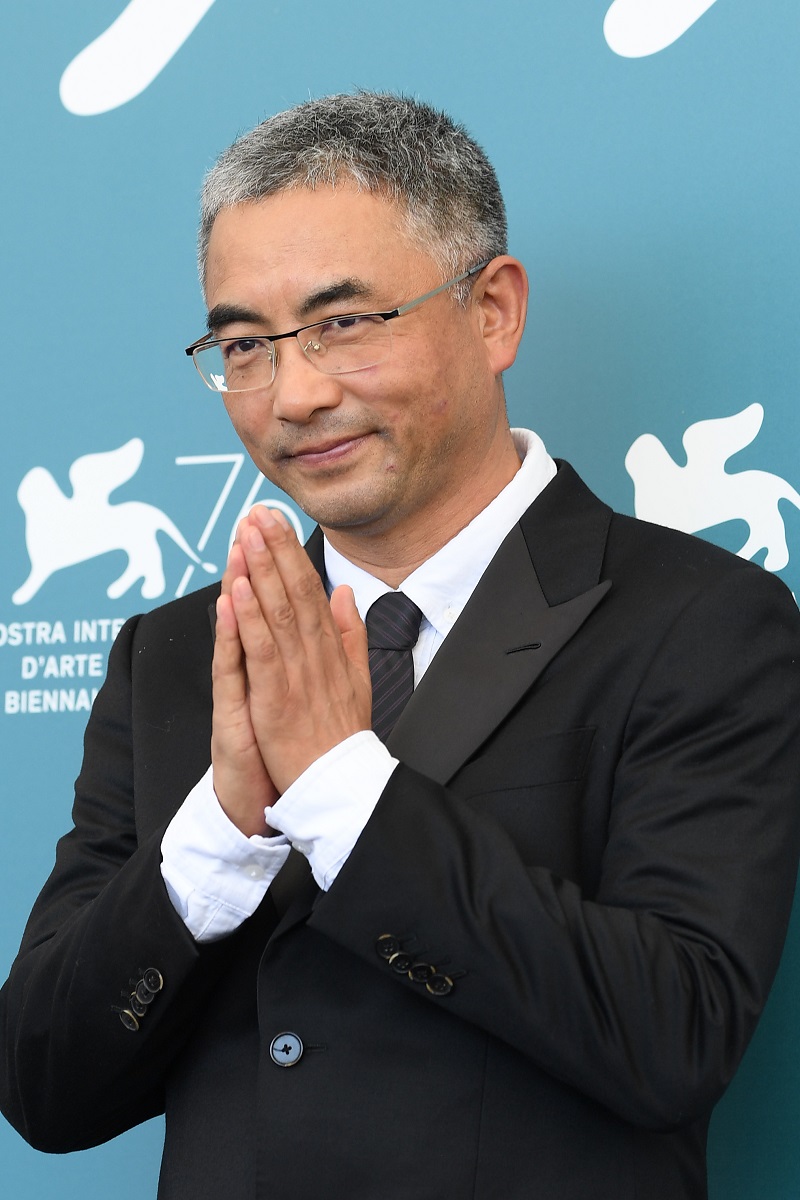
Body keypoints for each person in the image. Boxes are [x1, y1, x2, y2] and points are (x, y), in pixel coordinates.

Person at [2, 92, 800, 1200]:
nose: (295, 395)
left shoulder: (700, 622)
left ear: (493, 312)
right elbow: (44, 1088)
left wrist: (341, 793)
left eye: (343, 323)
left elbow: (673, 1036)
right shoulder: (175, 654)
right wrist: (220, 836)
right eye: (245, 345)